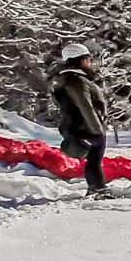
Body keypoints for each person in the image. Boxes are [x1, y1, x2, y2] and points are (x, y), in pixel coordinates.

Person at [49, 42, 112, 198]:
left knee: (93, 159)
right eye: (87, 58)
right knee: (94, 159)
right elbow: (86, 106)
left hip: (82, 125)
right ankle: (97, 189)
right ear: (79, 59)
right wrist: (96, 130)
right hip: (86, 126)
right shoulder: (75, 80)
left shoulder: (72, 78)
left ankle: (97, 188)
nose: (89, 61)